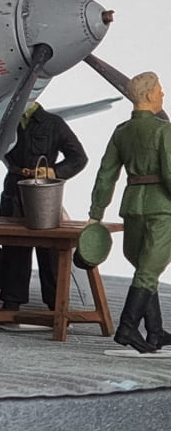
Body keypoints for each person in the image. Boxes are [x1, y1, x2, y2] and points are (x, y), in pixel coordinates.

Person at [88, 71, 171, 353]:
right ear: (148, 95)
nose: (162, 94)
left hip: (132, 206)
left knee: (144, 267)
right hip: (161, 209)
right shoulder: (164, 131)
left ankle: (155, 332)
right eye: (159, 90)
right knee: (149, 269)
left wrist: (96, 212)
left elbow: (106, 173)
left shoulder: (121, 131)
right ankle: (127, 327)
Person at [0, 102, 88, 311]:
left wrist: (54, 172)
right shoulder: (4, 121)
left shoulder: (53, 123)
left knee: (49, 248)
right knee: (13, 245)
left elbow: (79, 158)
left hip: (43, 192)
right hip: (13, 190)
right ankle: (11, 302)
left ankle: (56, 303)